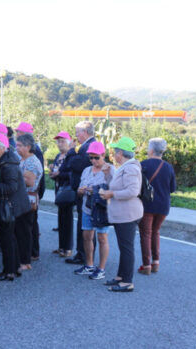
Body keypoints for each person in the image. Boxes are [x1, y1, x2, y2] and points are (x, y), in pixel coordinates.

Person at [99, 137, 143, 292]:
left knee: (126, 248)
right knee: (124, 247)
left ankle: (127, 282)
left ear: (120, 153)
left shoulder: (130, 168)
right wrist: (108, 175)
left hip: (128, 214)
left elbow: (133, 191)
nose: (113, 155)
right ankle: (120, 277)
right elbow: (119, 185)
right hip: (124, 214)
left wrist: (112, 194)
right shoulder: (125, 167)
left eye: (115, 151)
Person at [0, 133, 31, 282]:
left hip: (10, 206)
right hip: (11, 205)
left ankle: (9, 272)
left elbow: (11, 187)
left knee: (7, 239)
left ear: (3, 147)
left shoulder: (8, 164)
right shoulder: (3, 160)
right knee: (10, 238)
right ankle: (15, 268)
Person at [74, 141, 114, 281]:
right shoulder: (86, 170)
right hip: (87, 207)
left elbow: (113, 189)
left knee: (102, 238)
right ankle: (89, 265)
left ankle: (101, 268)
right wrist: (80, 191)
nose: (93, 160)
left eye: (96, 157)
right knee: (86, 236)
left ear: (103, 155)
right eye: (90, 157)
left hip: (102, 209)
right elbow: (80, 189)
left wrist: (96, 190)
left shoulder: (109, 169)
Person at [138, 138, 177, 275]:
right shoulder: (168, 167)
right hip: (163, 206)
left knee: (145, 234)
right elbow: (172, 188)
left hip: (147, 205)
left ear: (151, 150)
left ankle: (146, 265)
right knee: (155, 232)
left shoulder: (143, 165)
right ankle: (156, 263)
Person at [66, 120, 97, 265]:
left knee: (86, 226)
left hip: (86, 192)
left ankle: (84, 255)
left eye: (77, 132)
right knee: (84, 224)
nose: (76, 135)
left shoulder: (89, 146)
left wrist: (71, 151)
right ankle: (83, 253)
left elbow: (74, 164)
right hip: (83, 190)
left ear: (85, 132)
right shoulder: (87, 145)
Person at [15, 122, 44, 261]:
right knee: (20, 229)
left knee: (26, 230)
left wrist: (14, 177)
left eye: (20, 145)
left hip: (27, 200)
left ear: (28, 147)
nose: (17, 148)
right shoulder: (23, 159)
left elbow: (30, 182)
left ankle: (26, 259)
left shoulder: (32, 161)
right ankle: (22, 256)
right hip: (21, 199)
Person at [49, 131, 76, 257]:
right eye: (58, 141)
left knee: (68, 220)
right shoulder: (58, 156)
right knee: (60, 219)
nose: (60, 144)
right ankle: (61, 247)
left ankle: (68, 248)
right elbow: (56, 172)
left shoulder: (71, 156)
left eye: (63, 141)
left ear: (69, 142)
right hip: (59, 189)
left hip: (68, 190)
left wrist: (59, 174)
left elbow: (72, 174)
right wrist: (53, 174)